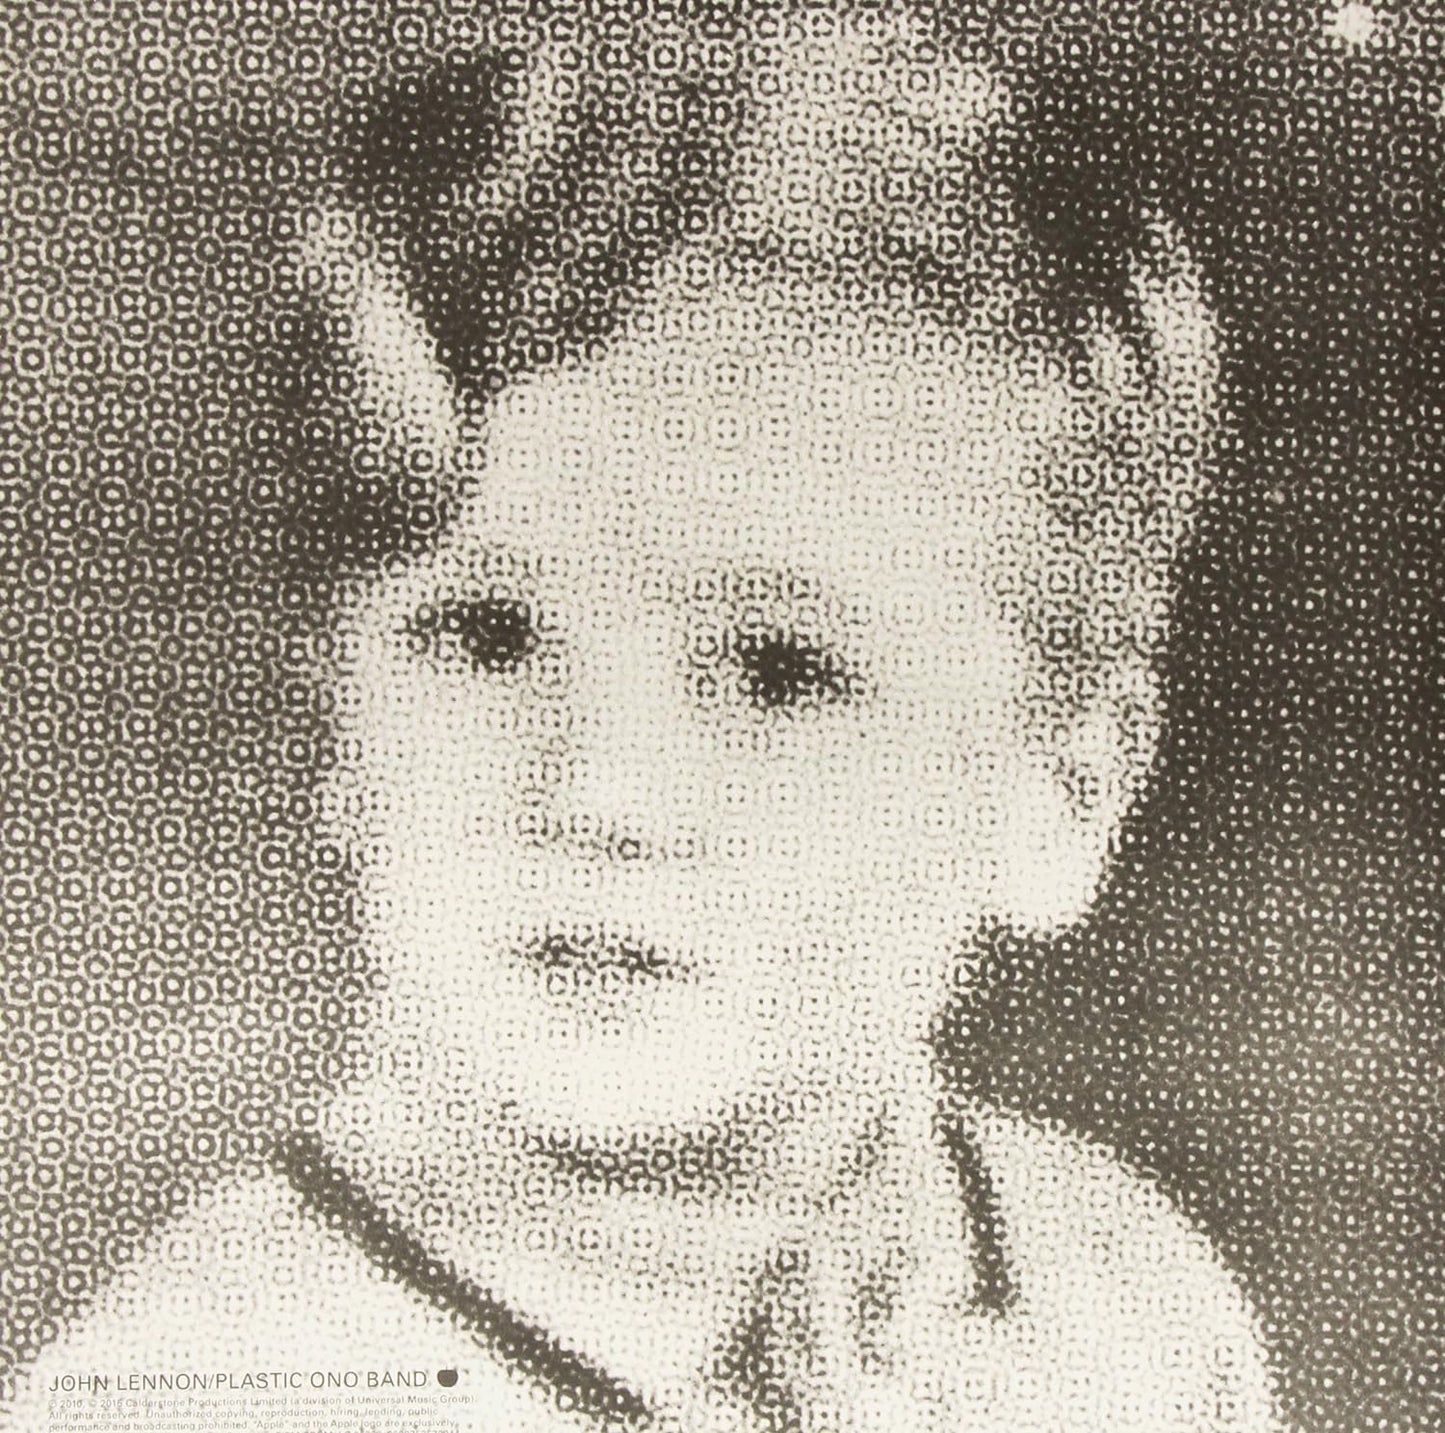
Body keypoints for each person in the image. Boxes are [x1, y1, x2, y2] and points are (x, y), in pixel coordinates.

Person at [6, 4, 1284, 1430]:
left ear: (1060, 795)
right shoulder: (208, 1381)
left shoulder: (1130, 1304)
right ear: (342, 726)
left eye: (780, 672)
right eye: (484, 637)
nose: (598, 792)